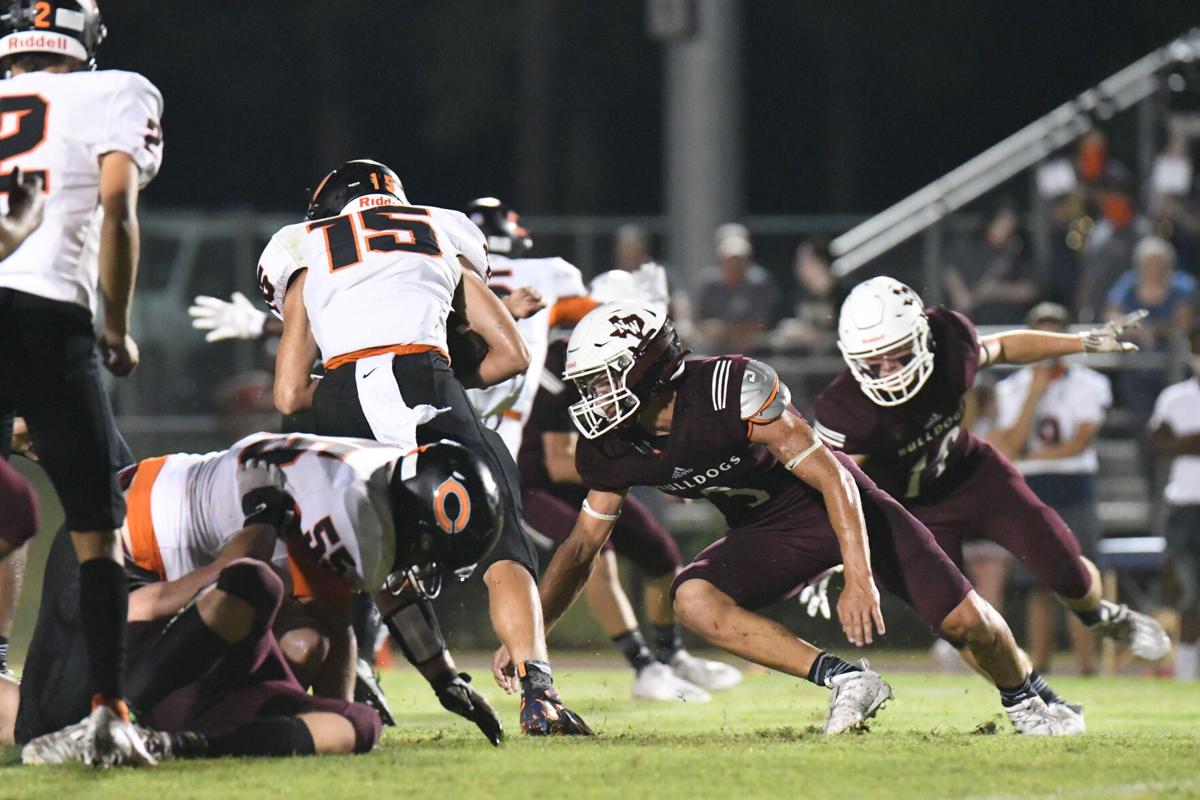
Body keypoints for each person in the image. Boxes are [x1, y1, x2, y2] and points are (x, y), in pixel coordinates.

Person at [499, 300, 1086, 736]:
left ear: (649, 366)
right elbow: (579, 550)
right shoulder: (611, 445)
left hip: (842, 507)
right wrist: (530, 638)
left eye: (603, 379)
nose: (593, 397)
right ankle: (845, 679)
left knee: (966, 625)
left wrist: (859, 576)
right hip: (768, 531)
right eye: (587, 385)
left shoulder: (732, 387)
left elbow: (832, 477)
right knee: (692, 598)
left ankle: (1030, 699)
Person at [261, 159, 589, 735]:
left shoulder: (304, 248)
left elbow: (288, 393)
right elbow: (511, 355)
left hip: (341, 395)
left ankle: (349, 677)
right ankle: (539, 692)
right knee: (502, 539)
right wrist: (439, 376)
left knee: (360, 549)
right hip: (427, 380)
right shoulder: (441, 229)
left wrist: (348, 389)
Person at [17, 434, 508, 764]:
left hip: (179, 575)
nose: (416, 566)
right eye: (424, 549)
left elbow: (369, 597)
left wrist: (444, 678)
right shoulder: (352, 513)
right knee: (39, 727)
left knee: (309, 646)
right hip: (122, 554)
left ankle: (172, 733)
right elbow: (249, 580)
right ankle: (119, 719)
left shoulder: (378, 476)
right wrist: (327, 715)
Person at [812, 278, 1169, 693]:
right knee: (959, 621)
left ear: (921, 337)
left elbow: (1002, 347)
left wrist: (1079, 343)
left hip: (971, 475)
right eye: (873, 362)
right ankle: (1027, 696)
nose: (888, 371)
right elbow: (833, 485)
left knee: (1065, 569)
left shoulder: (947, 341)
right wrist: (829, 549)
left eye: (898, 354)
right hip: (905, 511)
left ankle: (1103, 615)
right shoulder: (843, 409)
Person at [0, 0, 164, 766]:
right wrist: (115, 326)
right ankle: (107, 711)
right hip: (46, 313)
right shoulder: (114, 90)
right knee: (99, 524)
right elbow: (118, 207)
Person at [519, 337, 740, 700]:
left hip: (592, 477)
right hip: (535, 486)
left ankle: (671, 658)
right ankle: (643, 667)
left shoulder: (640, 377)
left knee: (661, 556)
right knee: (594, 553)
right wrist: (655, 471)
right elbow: (559, 464)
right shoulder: (560, 365)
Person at [990, 303, 1112, 675]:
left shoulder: (1091, 383)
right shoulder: (1013, 388)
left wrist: (1032, 453)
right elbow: (1009, 445)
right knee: (1036, 585)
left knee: (1080, 580)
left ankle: (1087, 665)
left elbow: (1080, 443)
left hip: (1074, 487)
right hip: (1033, 489)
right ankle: (1039, 663)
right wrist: (1035, 393)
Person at [1149, 325, 1200, 681]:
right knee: (1187, 594)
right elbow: (1158, 443)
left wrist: (1183, 440)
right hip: (1185, 505)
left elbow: (1171, 441)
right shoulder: (1174, 396)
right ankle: (1185, 672)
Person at [943, 203, 1039, 326]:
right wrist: (960, 295)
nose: (1007, 230)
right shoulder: (970, 247)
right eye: (1002, 224)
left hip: (1010, 321)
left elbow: (1031, 290)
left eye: (1011, 225)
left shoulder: (1019, 251)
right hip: (976, 321)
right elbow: (951, 272)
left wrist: (997, 290)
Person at [695, 223, 780, 354]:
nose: (734, 264)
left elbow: (764, 324)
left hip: (756, 351)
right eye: (729, 259)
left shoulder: (760, 282)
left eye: (739, 259)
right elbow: (700, 323)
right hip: (715, 349)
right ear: (719, 258)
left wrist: (727, 330)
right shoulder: (709, 284)